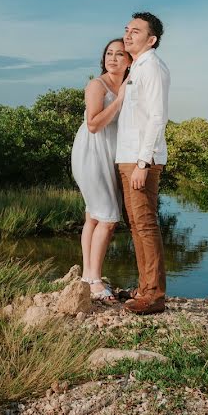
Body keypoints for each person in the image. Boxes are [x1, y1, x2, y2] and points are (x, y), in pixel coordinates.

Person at [115, 11, 170, 315]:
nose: (128, 34)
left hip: (140, 159)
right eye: (127, 29)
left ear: (151, 39)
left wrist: (143, 162)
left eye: (136, 31)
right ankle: (144, 286)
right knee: (136, 224)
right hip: (127, 156)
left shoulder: (153, 68)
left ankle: (154, 295)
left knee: (146, 224)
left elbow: (157, 117)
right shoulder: (136, 67)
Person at [70, 38, 131, 300]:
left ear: (129, 61)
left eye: (119, 54)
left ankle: (87, 275)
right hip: (91, 153)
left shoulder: (130, 84)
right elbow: (94, 124)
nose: (113, 58)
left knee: (93, 217)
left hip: (111, 154)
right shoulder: (97, 85)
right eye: (109, 53)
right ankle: (95, 280)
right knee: (107, 218)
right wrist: (119, 101)